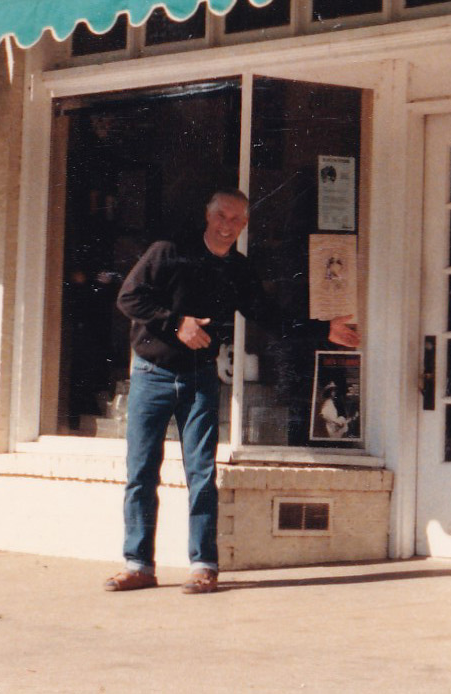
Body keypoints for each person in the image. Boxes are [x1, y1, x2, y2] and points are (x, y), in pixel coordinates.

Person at [103, 188, 360, 595]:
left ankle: (203, 565)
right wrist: (177, 323)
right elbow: (129, 297)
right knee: (141, 472)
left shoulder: (238, 269)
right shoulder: (169, 251)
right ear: (208, 216)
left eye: (237, 219)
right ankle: (138, 565)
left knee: (202, 473)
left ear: (245, 225)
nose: (228, 225)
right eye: (222, 216)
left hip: (199, 380)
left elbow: (268, 315)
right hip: (152, 375)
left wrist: (323, 329)